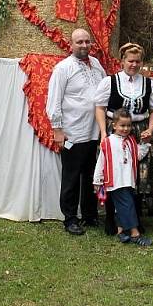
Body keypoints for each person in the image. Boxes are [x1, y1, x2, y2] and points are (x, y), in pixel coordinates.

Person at [94, 42, 153, 233]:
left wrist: (150, 128)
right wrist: (104, 133)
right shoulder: (110, 82)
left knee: (137, 175)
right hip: (114, 131)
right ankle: (112, 221)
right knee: (113, 173)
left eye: (137, 61)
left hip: (139, 131)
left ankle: (135, 220)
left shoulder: (149, 84)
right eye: (130, 61)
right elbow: (100, 108)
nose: (134, 64)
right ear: (122, 61)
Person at [46, 29, 106, 235]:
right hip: (72, 133)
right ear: (71, 44)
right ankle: (70, 218)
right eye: (79, 42)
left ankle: (90, 215)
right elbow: (53, 101)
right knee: (71, 177)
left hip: (94, 133)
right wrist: (57, 130)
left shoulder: (97, 65)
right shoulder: (63, 69)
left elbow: (104, 92)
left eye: (87, 41)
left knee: (91, 175)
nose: (84, 45)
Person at [93, 109, 153, 246]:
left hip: (128, 180)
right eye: (122, 125)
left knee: (120, 207)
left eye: (128, 126)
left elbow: (138, 156)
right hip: (115, 181)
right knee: (127, 205)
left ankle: (121, 231)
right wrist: (97, 180)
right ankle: (135, 233)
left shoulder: (131, 141)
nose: (125, 129)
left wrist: (145, 144)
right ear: (114, 125)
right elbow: (101, 162)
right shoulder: (108, 142)